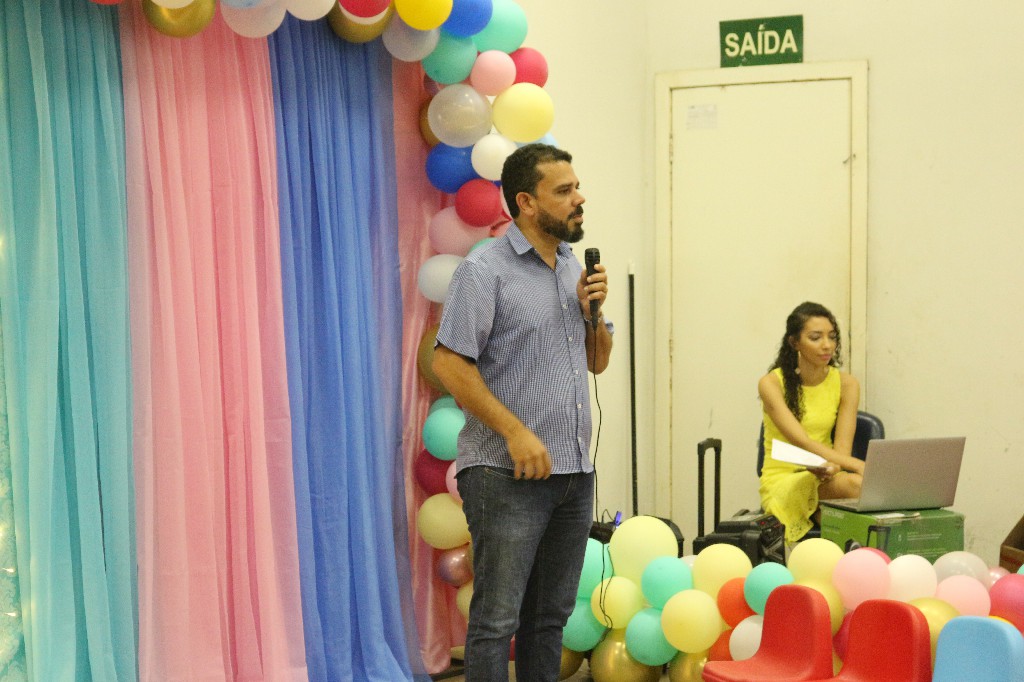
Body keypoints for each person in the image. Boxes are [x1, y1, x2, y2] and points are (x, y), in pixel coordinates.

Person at [432, 143, 613, 681]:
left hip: (572, 472)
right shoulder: (485, 269)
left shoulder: (571, 266)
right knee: (496, 620)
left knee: (549, 619)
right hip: (504, 473)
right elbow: (448, 363)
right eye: (565, 190)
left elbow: (598, 362)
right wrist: (515, 431)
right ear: (527, 203)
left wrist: (592, 315)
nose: (580, 199)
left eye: (577, 187)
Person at [758, 301, 863, 544]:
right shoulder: (771, 383)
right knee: (858, 486)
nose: (827, 345)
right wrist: (861, 465)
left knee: (857, 489)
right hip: (784, 479)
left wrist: (833, 467)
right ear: (794, 342)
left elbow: (842, 451)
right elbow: (801, 441)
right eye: (816, 338)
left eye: (832, 337)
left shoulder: (847, 384)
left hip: (824, 474)